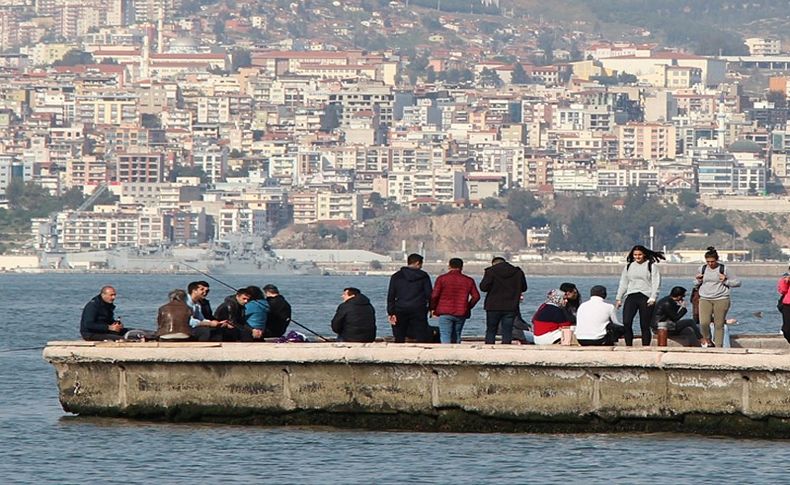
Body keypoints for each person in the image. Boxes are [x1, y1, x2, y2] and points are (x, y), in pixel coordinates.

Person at [615, 244, 664, 346]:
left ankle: (645, 346)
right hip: (632, 295)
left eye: (639, 254)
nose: (637, 257)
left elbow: (656, 283)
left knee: (644, 325)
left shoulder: (651, 266)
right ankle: (629, 346)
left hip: (646, 297)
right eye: (635, 255)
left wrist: (653, 297)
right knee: (627, 322)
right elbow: (623, 283)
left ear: (644, 254)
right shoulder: (629, 266)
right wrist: (619, 298)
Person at [695, 246, 740, 348]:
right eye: (708, 262)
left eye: (712, 261)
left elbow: (737, 282)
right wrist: (698, 280)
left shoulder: (724, 269)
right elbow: (696, 283)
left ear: (717, 260)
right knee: (704, 323)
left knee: (718, 324)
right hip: (705, 298)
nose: (710, 264)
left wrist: (726, 280)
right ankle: (708, 340)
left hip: (721, 298)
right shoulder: (702, 269)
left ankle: (718, 346)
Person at [430, 258, 481, 343]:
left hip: (444, 312)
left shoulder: (442, 279)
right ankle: (456, 352)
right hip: (461, 312)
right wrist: (468, 307)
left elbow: (435, 295)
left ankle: (446, 352)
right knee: (457, 334)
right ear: (462, 267)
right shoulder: (468, 280)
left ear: (449, 266)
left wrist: (433, 308)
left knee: (445, 334)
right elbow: (476, 296)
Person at [480, 256, 527, 345]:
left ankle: (489, 347)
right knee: (507, 329)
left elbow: (483, 287)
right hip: (511, 305)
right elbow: (524, 287)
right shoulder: (517, 272)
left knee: (491, 329)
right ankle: (506, 346)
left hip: (493, 305)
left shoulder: (491, 271)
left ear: (494, 264)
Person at [387, 253, 433, 343]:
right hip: (419, 309)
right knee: (421, 334)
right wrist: (431, 308)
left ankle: (399, 352)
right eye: (421, 264)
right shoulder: (423, 276)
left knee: (399, 334)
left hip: (400, 308)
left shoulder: (396, 276)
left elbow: (391, 296)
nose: (421, 266)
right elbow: (429, 294)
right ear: (417, 263)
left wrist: (391, 312)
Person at [778, 270, 790, 344]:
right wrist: (786, 281)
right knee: (786, 329)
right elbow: (783, 291)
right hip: (787, 305)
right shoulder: (786, 278)